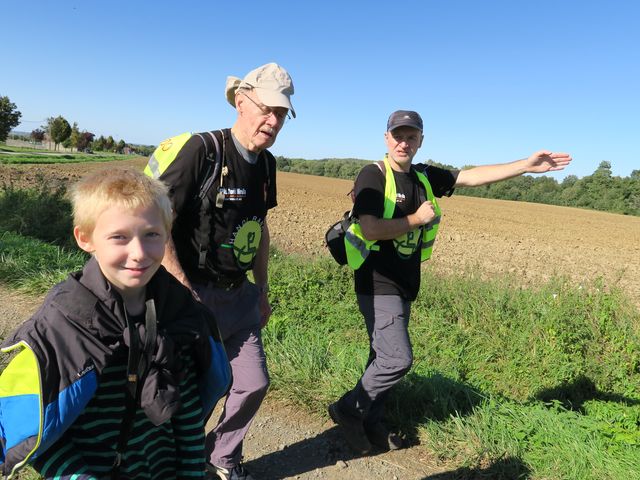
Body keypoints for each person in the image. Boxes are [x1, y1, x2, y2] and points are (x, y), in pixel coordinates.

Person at [328, 110, 572, 454]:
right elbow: (369, 228)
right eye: (398, 135)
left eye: (411, 136)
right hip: (377, 282)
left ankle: (372, 420)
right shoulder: (373, 175)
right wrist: (416, 218)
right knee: (396, 359)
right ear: (386, 138)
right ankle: (348, 409)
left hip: (404, 284)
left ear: (420, 141)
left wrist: (526, 166)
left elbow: (470, 177)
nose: (404, 142)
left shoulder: (424, 176)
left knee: (380, 355)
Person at [0, 168, 230, 479]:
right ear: (85, 238)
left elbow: (185, 410)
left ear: (167, 232)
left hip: (161, 470)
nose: (138, 253)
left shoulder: (179, 312)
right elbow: (47, 428)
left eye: (151, 235)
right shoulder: (62, 325)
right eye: (119, 237)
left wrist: (191, 473)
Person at [144, 62, 295, 480]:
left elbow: (260, 228)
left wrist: (261, 289)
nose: (273, 120)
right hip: (192, 294)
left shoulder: (267, 165)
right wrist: (183, 290)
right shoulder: (203, 150)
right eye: (267, 109)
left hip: (239, 295)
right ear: (241, 101)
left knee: (254, 383)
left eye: (281, 113)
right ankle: (174, 462)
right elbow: (158, 222)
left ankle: (221, 456)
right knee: (192, 393)